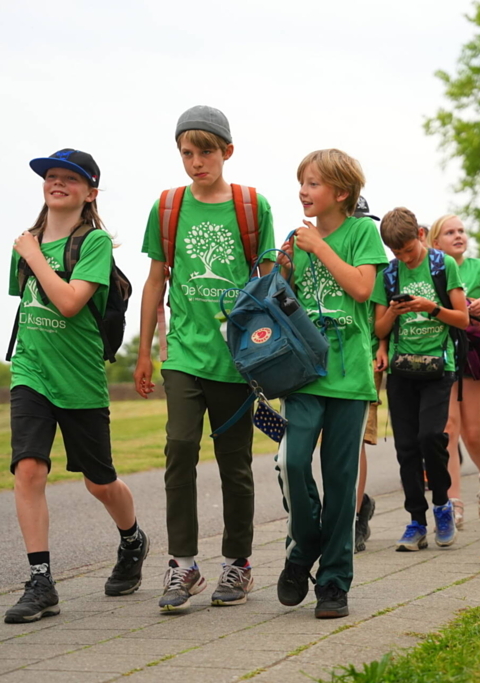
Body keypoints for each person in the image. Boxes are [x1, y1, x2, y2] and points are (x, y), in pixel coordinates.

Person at [134, 106, 275, 611]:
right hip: (184, 355)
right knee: (179, 447)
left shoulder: (251, 206)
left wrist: (267, 353)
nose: (196, 162)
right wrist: (148, 349)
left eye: (206, 152)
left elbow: (269, 282)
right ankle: (183, 565)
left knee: (235, 464)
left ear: (227, 152)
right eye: (187, 153)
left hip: (237, 359)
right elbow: (156, 281)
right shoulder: (168, 207)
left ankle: (237, 564)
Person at [5, 149, 147, 624]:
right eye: (51, 176)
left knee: (99, 482)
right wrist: (28, 249)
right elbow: (29, 305)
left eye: (70, 178)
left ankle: (132, 539)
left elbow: (68, 303)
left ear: (90, 192)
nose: (57, 183)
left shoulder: (95, 244)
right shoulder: (27, 243)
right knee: (28, 470)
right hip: (31, 372)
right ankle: (41, 581)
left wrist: (32, 253)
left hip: (80, 378)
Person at [275, 149, 387, 619]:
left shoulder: (362, 232)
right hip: (303, 376)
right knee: (294, 462)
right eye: (302, 182)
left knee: (342, 483)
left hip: (349, 378)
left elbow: (361, 289)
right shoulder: (292, 240)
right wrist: (279, 270)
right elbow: (281, 303)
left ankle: (334, 581)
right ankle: (305, 546)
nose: (304, 190)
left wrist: (317, 247)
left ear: (341, 192)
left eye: (314, 183)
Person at [372, 208, 469, 551]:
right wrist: (392, 318)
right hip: (401, 369)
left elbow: (463, 319)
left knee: (431, 437)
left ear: (422, 235)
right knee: (406, 448)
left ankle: (442, 505)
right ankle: (416, 521)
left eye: (409, 250)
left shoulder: (444, 265)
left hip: (438, 366)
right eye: (397, 253)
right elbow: (379, 327)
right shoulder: (389, 273)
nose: (404, 257)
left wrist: (431, 308)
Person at [428, 213, 480, 528]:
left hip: (473, 352)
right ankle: (453, 501)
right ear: (435, 242)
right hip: (441, 352)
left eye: (461, 231)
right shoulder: (432, 271)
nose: (458, 236)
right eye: (449, 232)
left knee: (473, 434)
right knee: (448, 429)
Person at [353, 196, 381, 554]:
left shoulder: (374, 267)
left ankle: (355, 515)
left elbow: (381, 316)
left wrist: (381, 350)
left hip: (364, 362)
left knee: (353, 442)